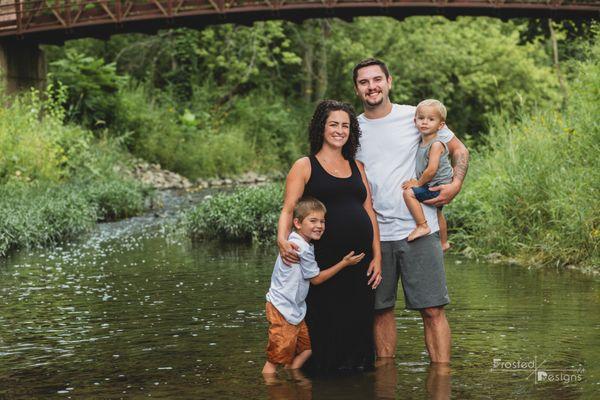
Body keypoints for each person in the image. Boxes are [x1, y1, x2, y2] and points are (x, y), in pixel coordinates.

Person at [353, 58, 469, 364]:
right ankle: (385, 381)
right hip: (377, 235)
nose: (372, 87)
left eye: (377, 79)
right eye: (364, 82)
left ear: (390, 81)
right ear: (357, 89)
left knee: (432, 310)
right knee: (380, 310)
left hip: (421, 229)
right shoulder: (352, 128)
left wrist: (455, 184)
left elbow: (459, 149)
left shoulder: (415, 116)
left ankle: (441, 380)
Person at [277, 99, 383, 374]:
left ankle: (358, 377)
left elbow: (369, 212)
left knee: (359, 318)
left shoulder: (357, 166)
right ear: (321, 128)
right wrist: (281, 240)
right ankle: (323, 378)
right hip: (323, 259)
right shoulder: (305, 165)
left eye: (345, 125)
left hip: (361, 261)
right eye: (333, 124)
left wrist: (378, 257)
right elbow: (289, 209)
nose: (339, 130)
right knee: (326, 317)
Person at [262, 197, 366, 374]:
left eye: (322, 221)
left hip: (294, 310)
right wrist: (344, 263)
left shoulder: (298, 242)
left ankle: (292, 382)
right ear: (297, 223)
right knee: (275, 359)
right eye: (313, 221)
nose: (319, 225)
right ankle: (273, 388)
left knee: (305, 350)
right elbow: (316, 279)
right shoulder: (300, 247)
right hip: (282, 307)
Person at [402, 99, 453, 250]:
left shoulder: (436, 144)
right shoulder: (421, 142)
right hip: (436, 185)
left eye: (431, 119)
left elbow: (431, 170)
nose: (425, 122)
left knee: (408, 194)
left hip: (437, 188)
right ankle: (444, 243)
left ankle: (422, 226)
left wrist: (417, 184)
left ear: (441, 125)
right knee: (438, 212)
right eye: (421, 118)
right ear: (415, 120)